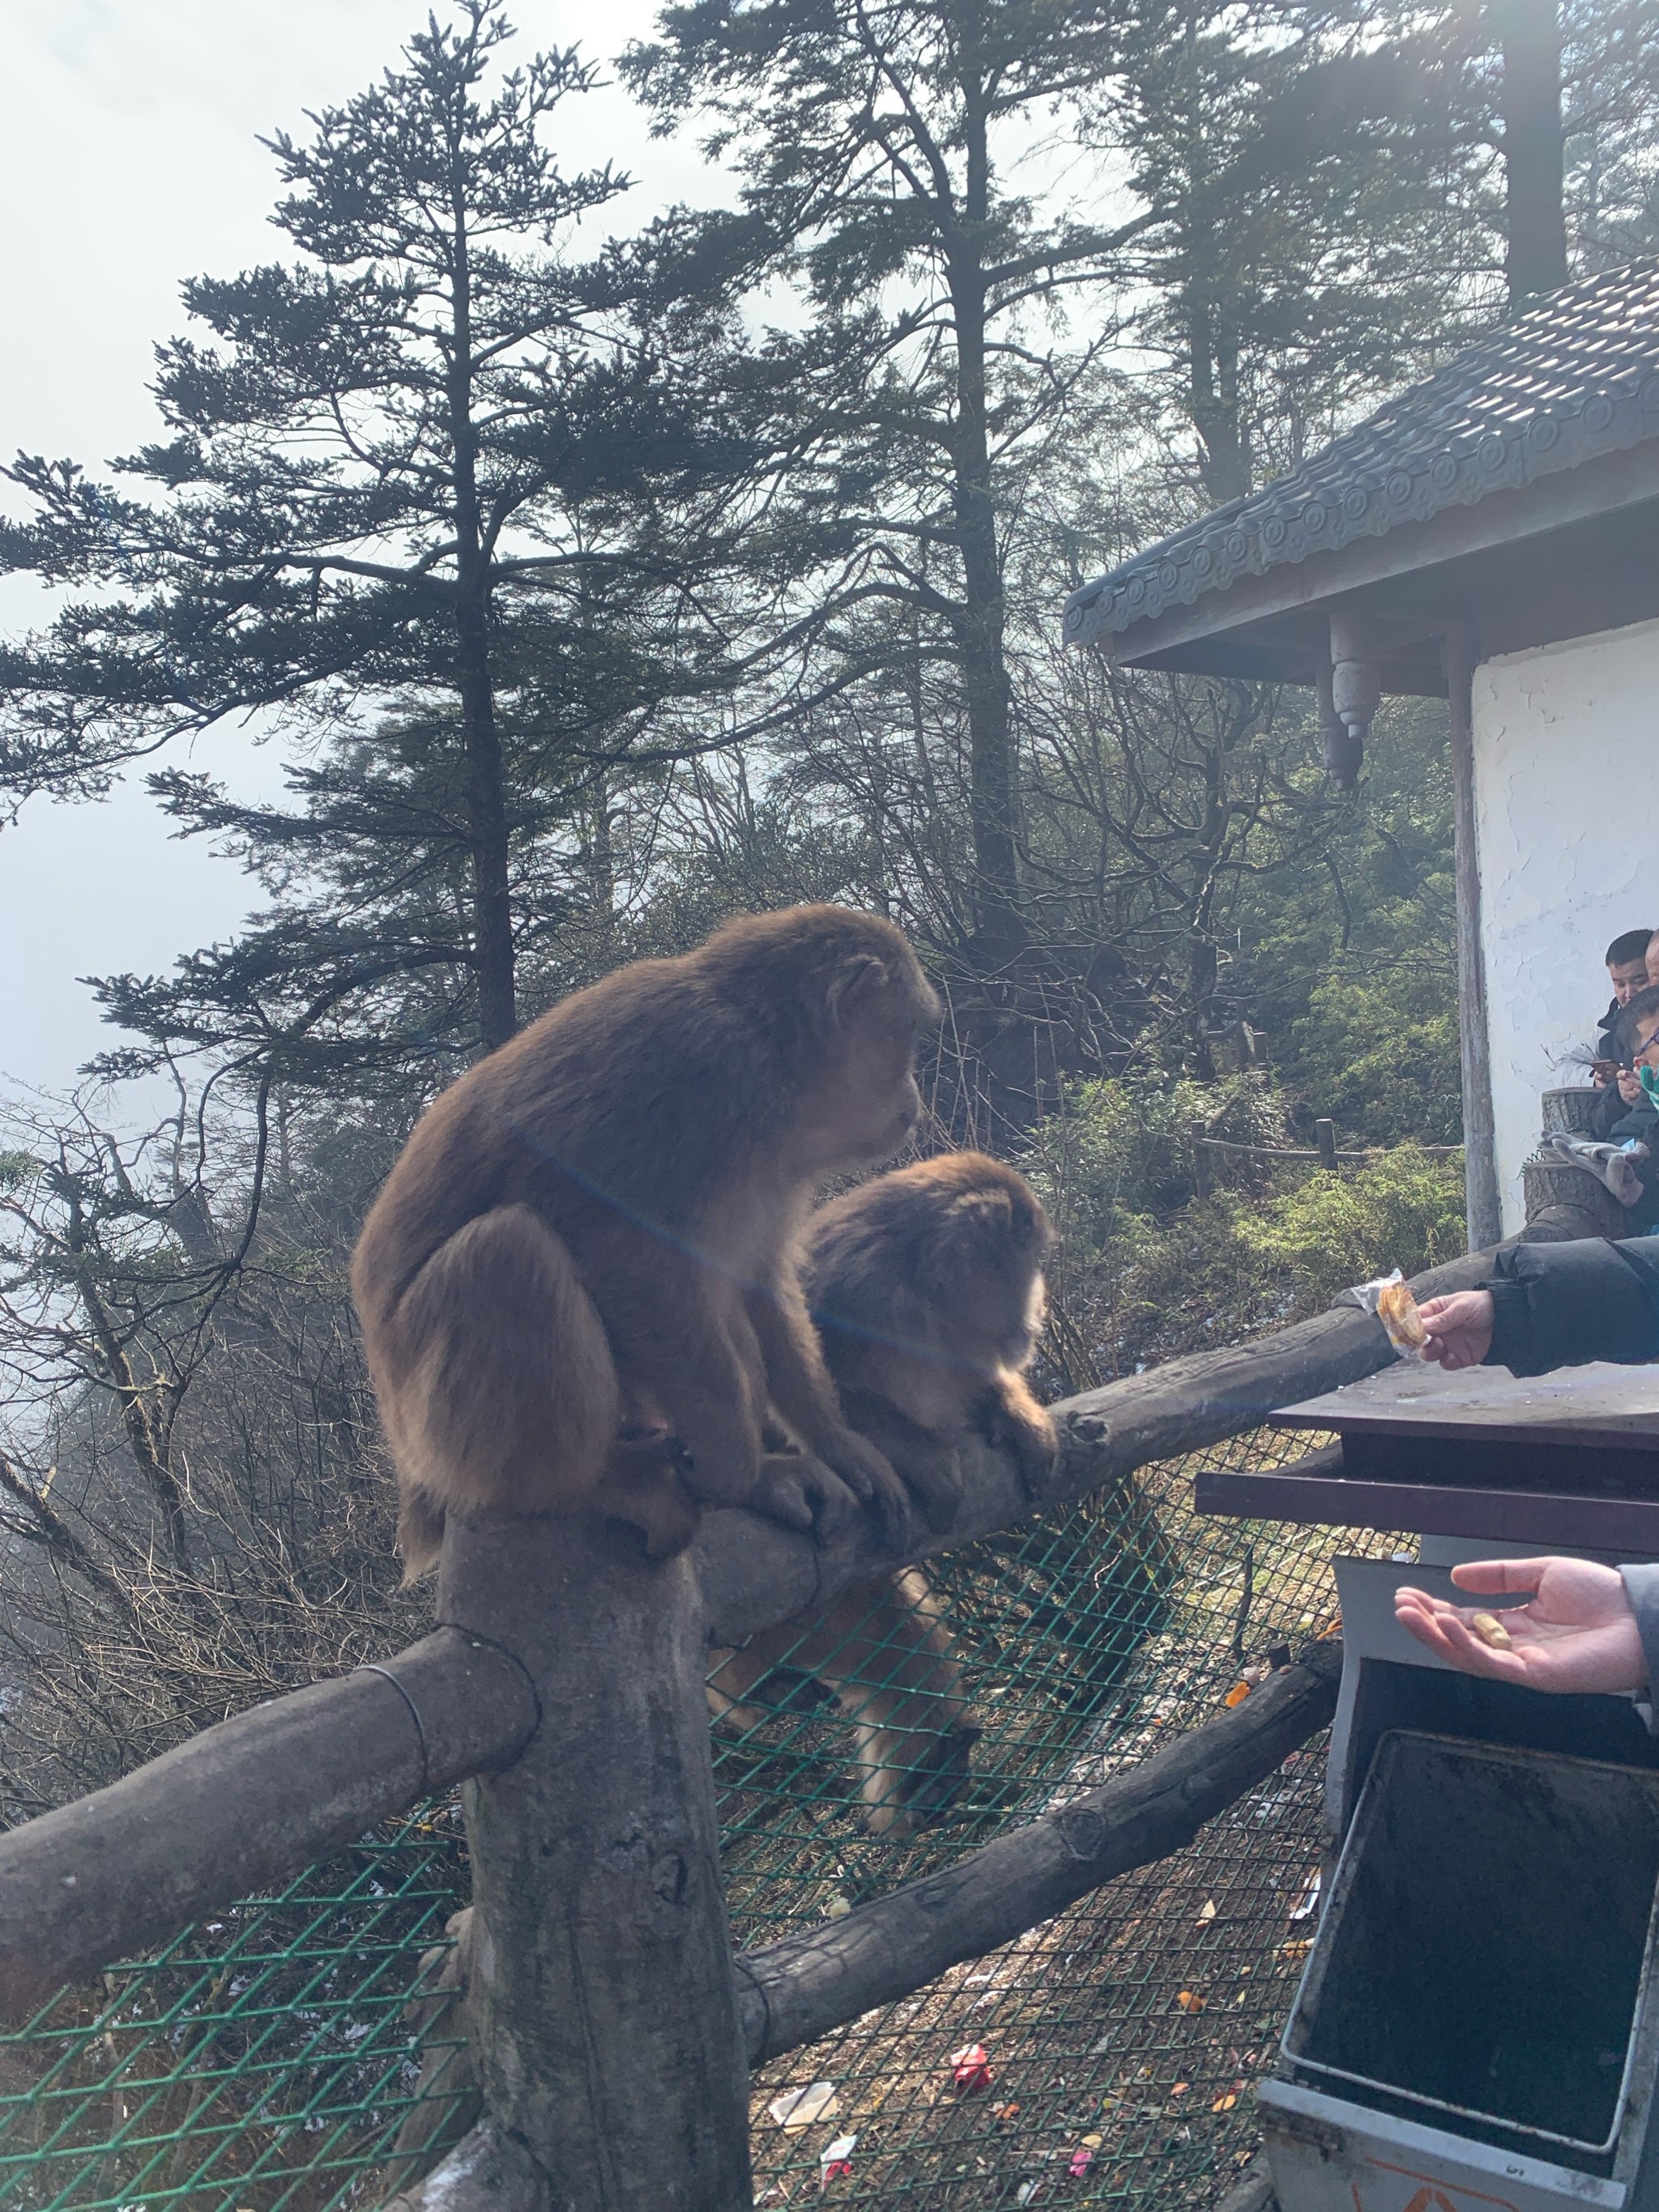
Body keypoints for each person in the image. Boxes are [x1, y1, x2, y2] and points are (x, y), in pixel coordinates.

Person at [1586, 929, 1655, 1138]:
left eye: (1639, 980)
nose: (1628, 993)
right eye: (1619, 984)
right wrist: (1620, 1094)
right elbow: (1611, 1132)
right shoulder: (1611, 1033)